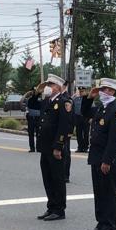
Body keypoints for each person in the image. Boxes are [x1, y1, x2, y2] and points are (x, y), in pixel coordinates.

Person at [86, 79, 116, 230]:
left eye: (107, 90)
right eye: (102, 89)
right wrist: (89, 98)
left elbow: (114, 139)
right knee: (99, 191)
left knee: (108, 192)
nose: (103, 92)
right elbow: (85, 113)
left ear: (113, 92)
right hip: (95, 155)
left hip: (106, 158)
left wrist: (107, 161)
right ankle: (100, 222)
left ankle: (109, 226)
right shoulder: (102, 107)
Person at [36, 74, 72, 221]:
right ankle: (51, 206)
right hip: (45, 147)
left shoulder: (64, 102)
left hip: (55, 147)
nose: (47, 87)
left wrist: (58, 146)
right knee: (47, 178)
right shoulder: (47, 102)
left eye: (50, 85)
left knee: (57, 178)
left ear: (57, 87)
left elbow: (65, 126)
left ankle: (59, 209)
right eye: (47, 85)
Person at [73, 87, 91, 153]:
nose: (81, 93)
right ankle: (80, 147)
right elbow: (72, 106)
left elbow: (92, 108)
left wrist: (91, 118)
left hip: (86, 117)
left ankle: (86, 147)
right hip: (78, 117)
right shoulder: (76, 99)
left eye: (82, 91)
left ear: (85, 92)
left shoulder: (88, 99)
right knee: (79, 133)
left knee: (86, 133)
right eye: (80, 91)